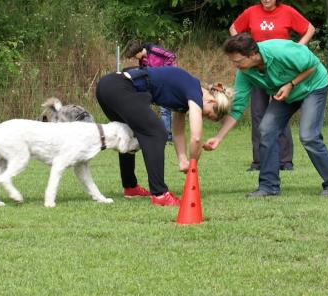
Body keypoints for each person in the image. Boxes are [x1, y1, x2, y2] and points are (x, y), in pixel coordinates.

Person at [204, 33, 328, 198]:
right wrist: (219, 137)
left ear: (252, 54)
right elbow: (238, 108)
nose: (235, 65)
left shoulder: (281, 50)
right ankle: (268, 186)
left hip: (313, 86)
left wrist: (291, 84)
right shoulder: (244, 73)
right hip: (286, 95)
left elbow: (313, 65)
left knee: (308, 136)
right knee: (266, 129)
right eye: (232, 61)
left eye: (238, 61)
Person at [95, 65, 231, 206]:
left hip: (107, 87)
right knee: (157, 133)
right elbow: (196, 138)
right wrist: (193, 165)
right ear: (211, 101)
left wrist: (182, 159)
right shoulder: (195, 91)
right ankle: (160, 194)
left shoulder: (186, 96)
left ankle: (131, 187)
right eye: (207, 114)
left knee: (130, 133)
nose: (202, 116)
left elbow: (178, 132)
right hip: (119, 87)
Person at [229, 0, 316, 173]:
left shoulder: (287, 12)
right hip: (257, 70)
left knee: (280, 113)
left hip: (279, 71)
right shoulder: (251, 12)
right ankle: (259, 161)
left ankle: (285, 160)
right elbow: (234, 28)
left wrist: (298, 48)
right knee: (258, 114)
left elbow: (310, 28)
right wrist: (242, 47)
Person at [124, 41, 177, 142]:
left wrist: (163, 70)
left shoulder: (154, 50)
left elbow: (172, 56)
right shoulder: (142, 61)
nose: (135, 58)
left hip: (168, 79)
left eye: (134, 56)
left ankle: (167, 137)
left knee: (165, 110)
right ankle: (160, 134)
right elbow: (145, 72)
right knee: (158, 108)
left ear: (138, 52)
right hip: (157, 83)